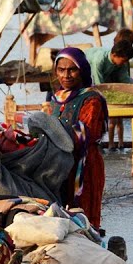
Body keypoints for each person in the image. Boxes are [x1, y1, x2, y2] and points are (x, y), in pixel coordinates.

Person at [40, 48, 108, 228]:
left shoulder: (91, 99)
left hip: (84, 166)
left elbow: (85, 133)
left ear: (82, 70)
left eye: (72, 70)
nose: (66, 75)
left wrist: (52, 134)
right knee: (60, 214)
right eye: (61, 70)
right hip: (59, 164)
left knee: (84, 215)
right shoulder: (56, 97)